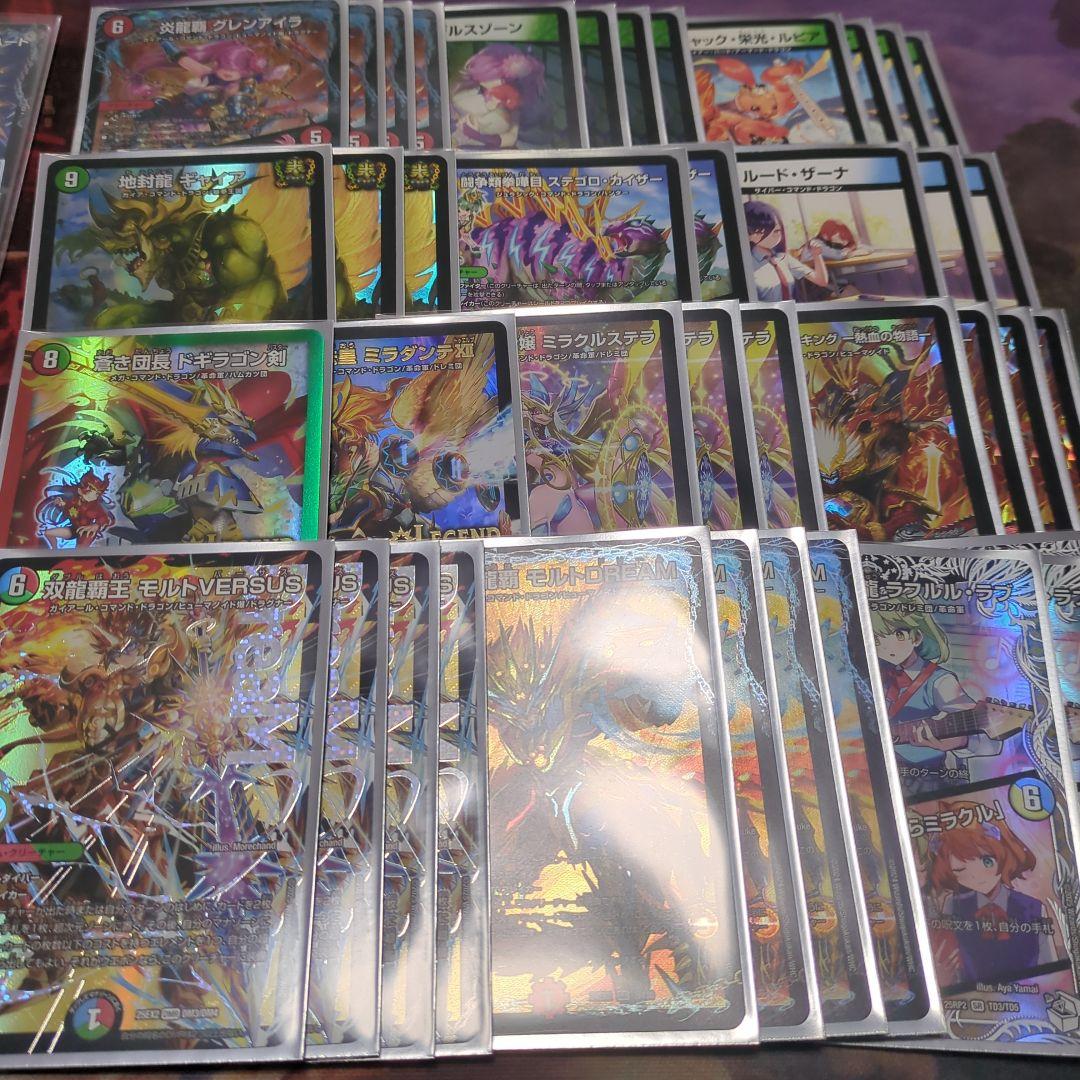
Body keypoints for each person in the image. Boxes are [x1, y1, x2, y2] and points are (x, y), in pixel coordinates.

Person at [873, 609, 1000, 794]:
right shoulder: (874, 674)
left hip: (922, 779)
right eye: (876, 640)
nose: (885, 646)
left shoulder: (940, 681)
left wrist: (961, 741)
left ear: (916, 637)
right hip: (872, 773)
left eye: (897, 635)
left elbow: (990, 740)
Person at [928, 803, 1057, 983]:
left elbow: (1051, 966)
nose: (977, 876)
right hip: (973, 994)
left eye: (987, 861)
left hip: (1031, 992)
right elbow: (947, 957)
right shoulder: (952, 904)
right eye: (960, 870)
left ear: (1004, 854)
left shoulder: (1033, 908)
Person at [744, 200, 830, 302]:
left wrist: (817, 255)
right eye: (763, 231)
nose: (773, 235)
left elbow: (821, 281)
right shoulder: (747, 266)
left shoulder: (783, 258)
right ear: (748, 234)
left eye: (777, 230)